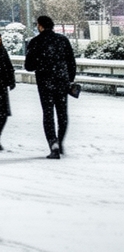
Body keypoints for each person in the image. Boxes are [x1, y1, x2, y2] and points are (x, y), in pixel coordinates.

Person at [24, 14, 77, 159]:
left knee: (48, 114)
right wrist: (69, 79)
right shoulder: (62, 40)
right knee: (62, 113)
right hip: (62, 81)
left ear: (40, 26)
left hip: (45, 82)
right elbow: (71, 62)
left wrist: (40, 64)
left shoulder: (35, 42)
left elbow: (28, 66)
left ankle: (53, 144)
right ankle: (60, 141)